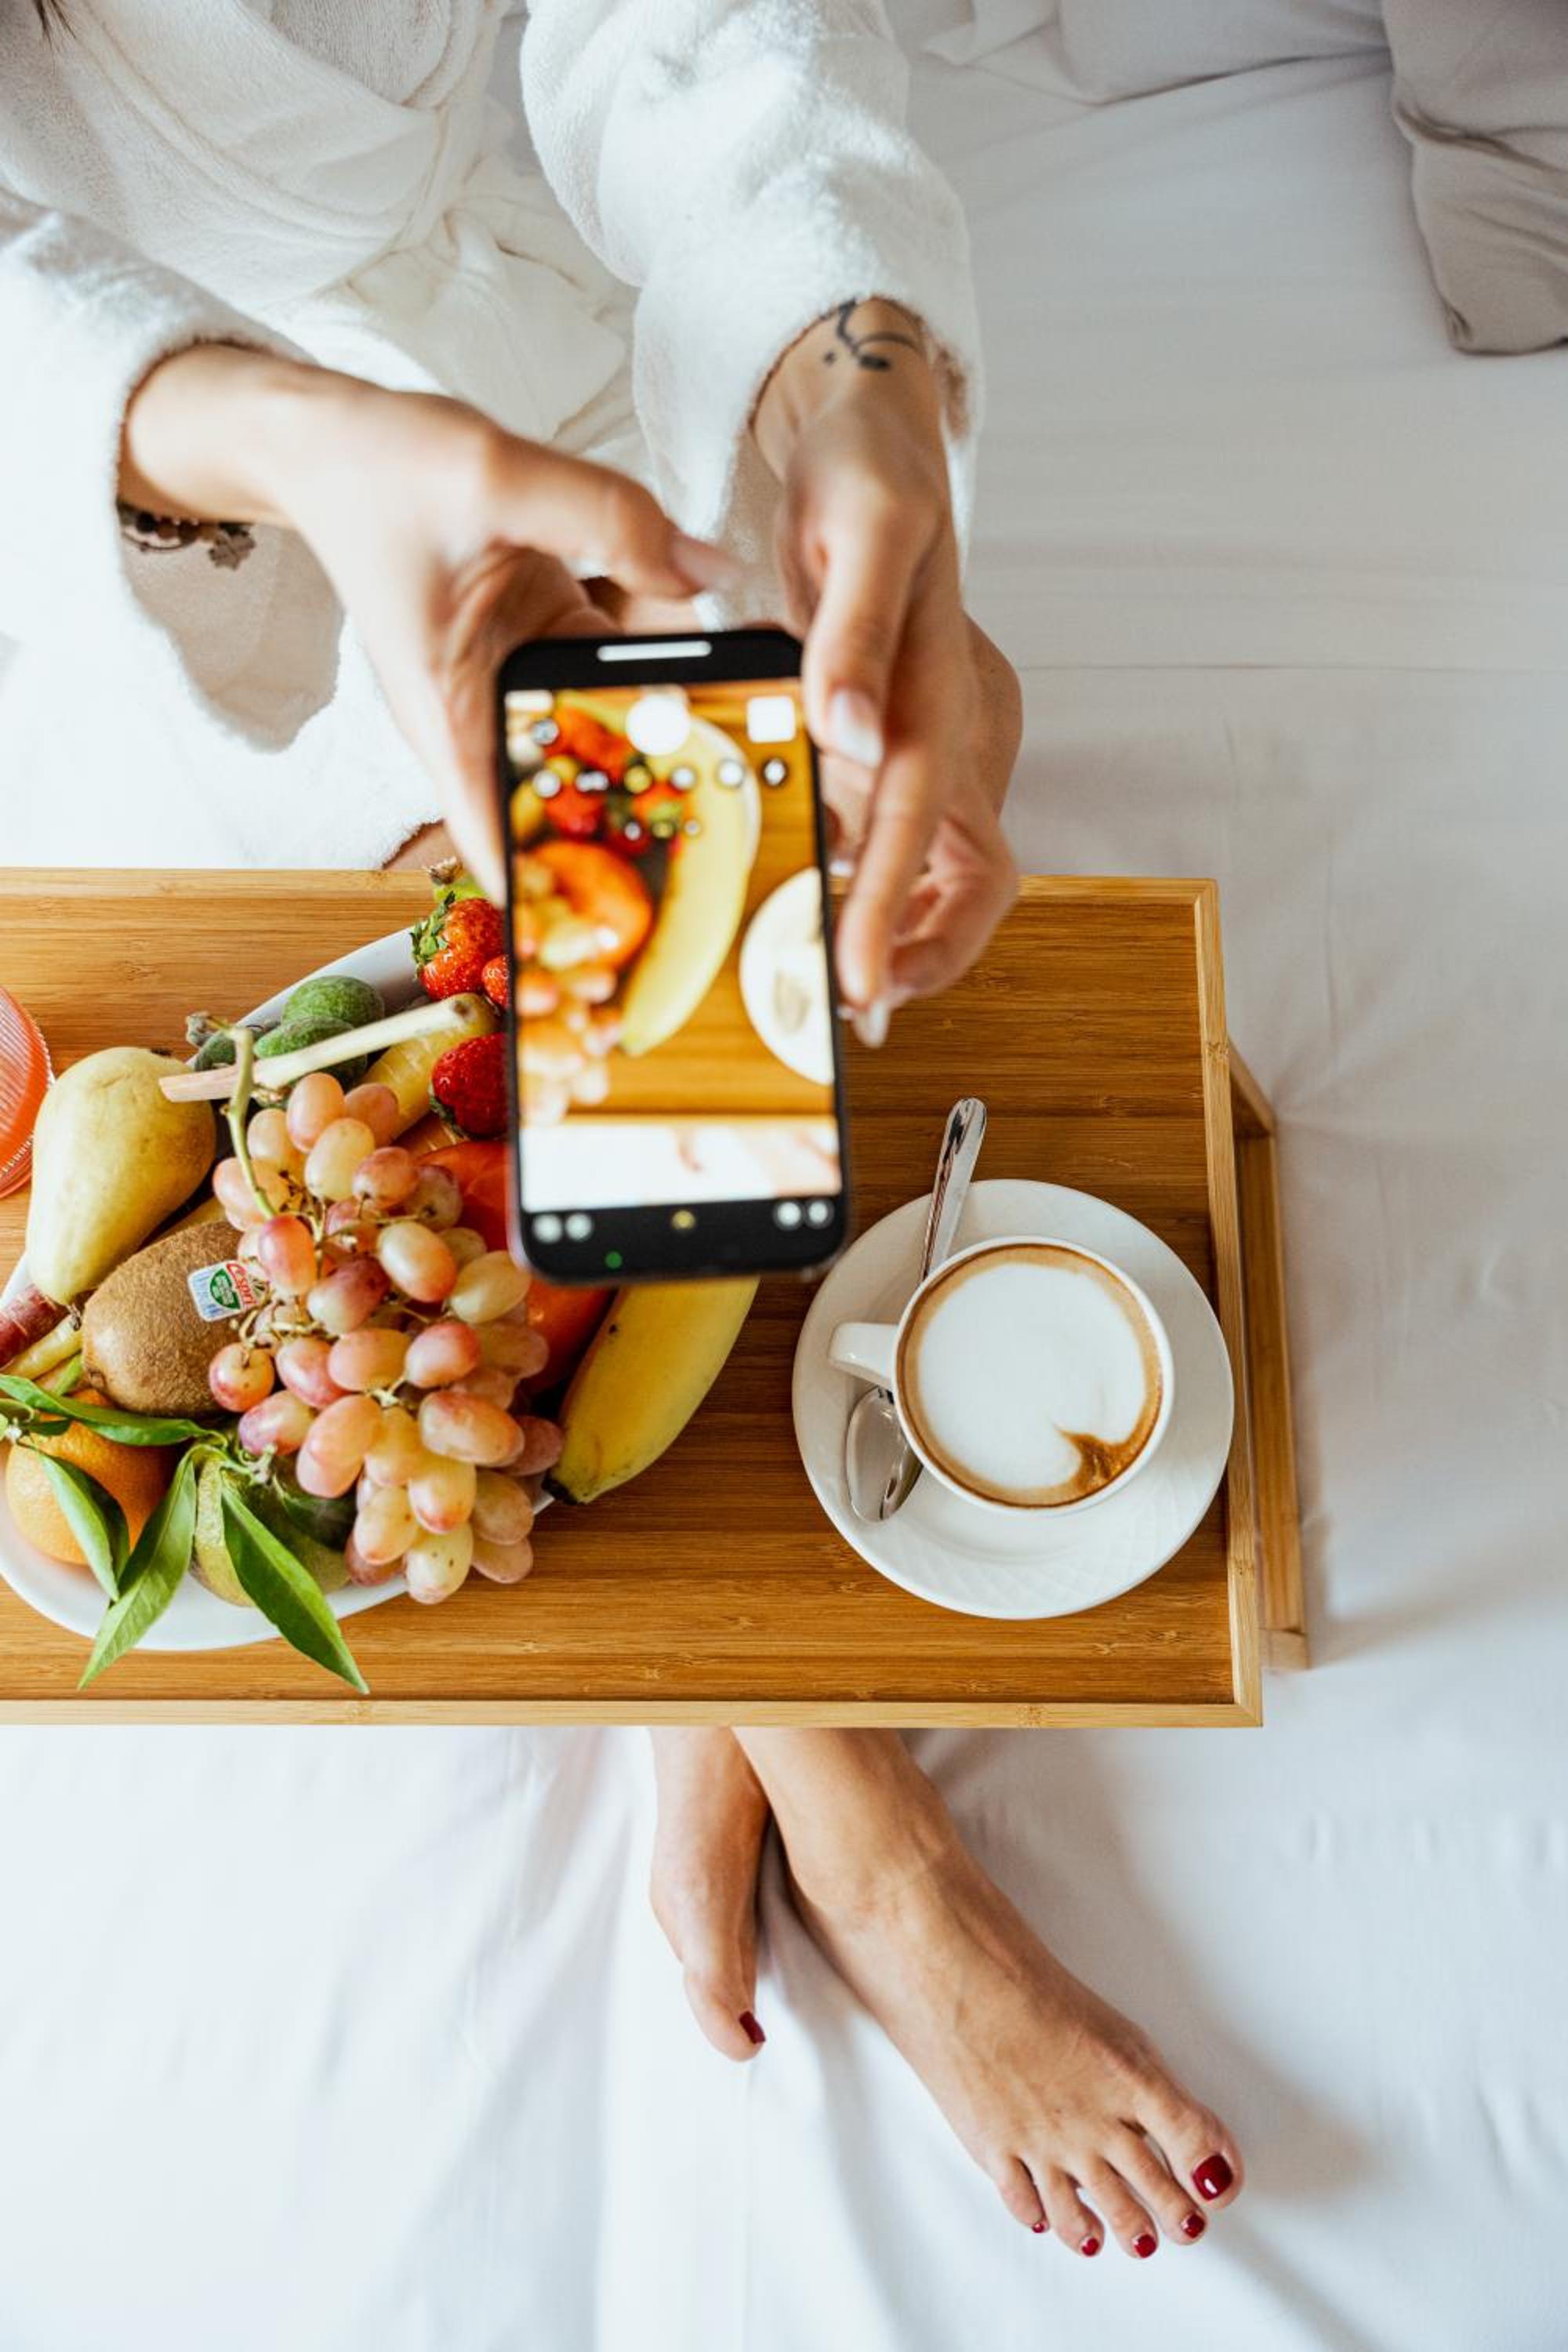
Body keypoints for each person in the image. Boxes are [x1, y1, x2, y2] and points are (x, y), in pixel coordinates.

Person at [0, 0, 1242, 2260]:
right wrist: (291, 442)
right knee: (467, 976)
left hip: (590, 393)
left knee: (825, 820)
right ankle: (839, 1794)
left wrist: (848, 364)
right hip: (161, 505)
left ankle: (722, 1702)